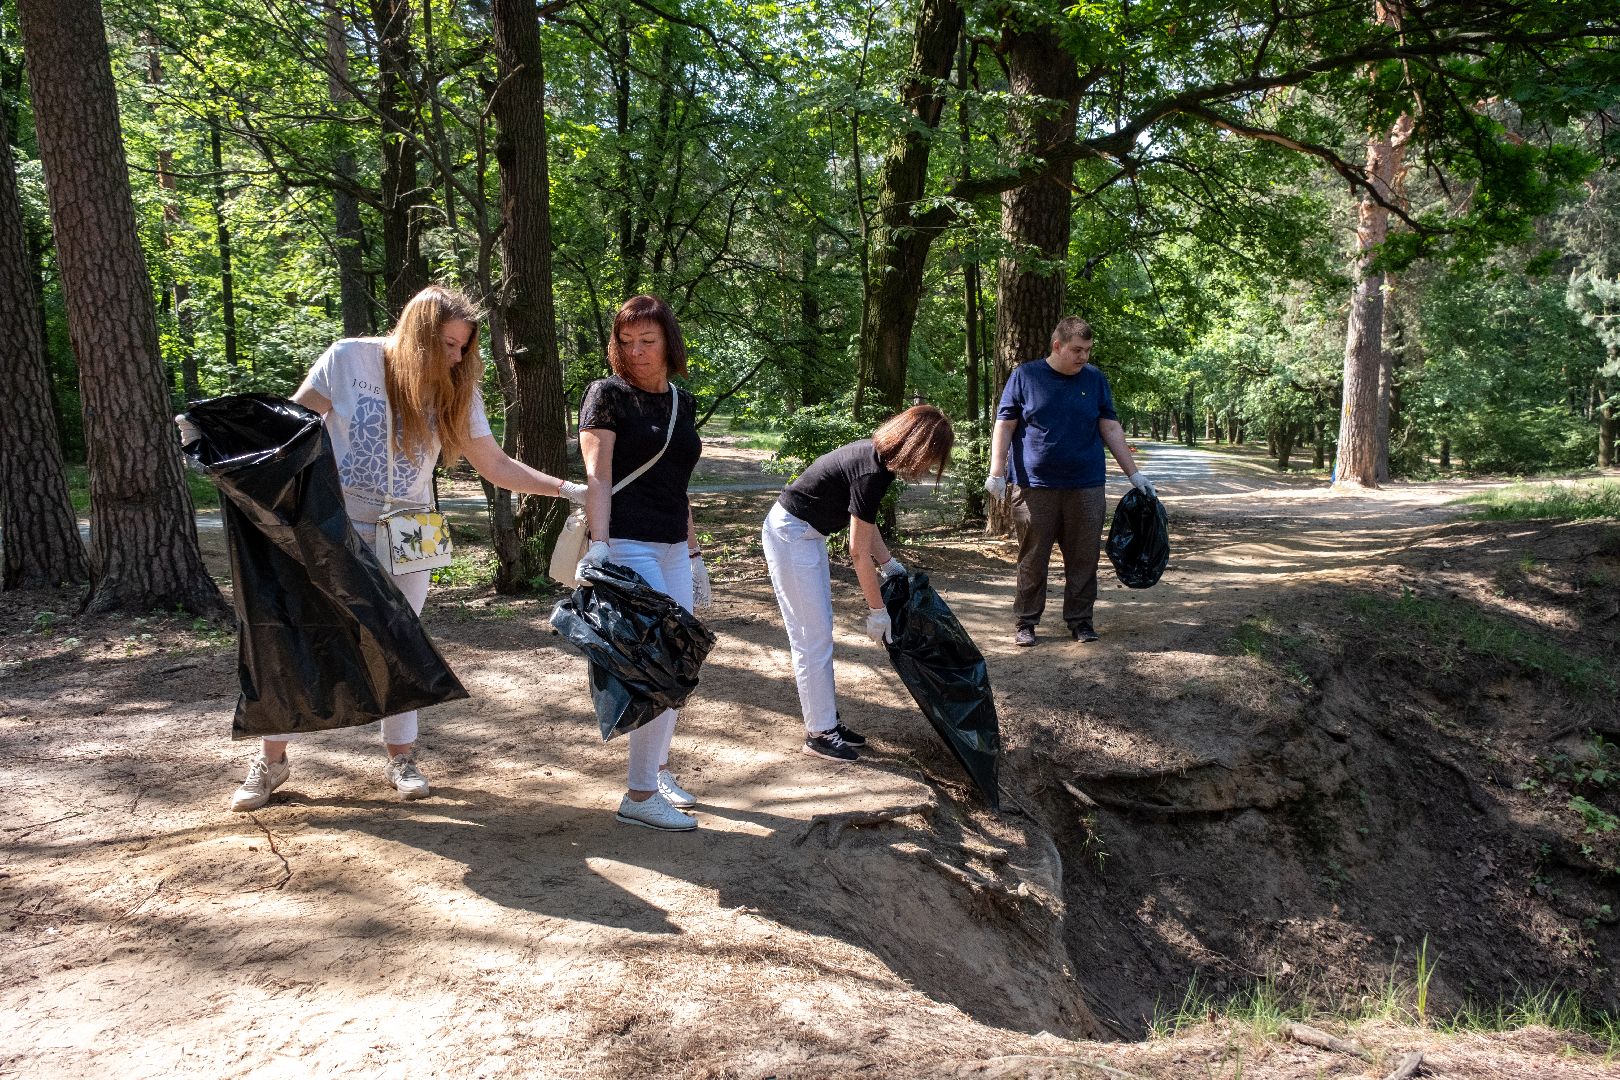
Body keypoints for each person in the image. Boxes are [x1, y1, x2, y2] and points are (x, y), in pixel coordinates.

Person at [224, 285, 587, 811]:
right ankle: (271, 761)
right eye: (447, 344)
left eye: (464, 347)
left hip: (413, 532)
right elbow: (290, 427)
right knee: (301, 633)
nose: (457, 357)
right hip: (333, 528)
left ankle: (402, 759)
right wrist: (224, 443)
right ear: (417, 332)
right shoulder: (349, 359)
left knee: (399, 640)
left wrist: (567, 488)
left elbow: (495, 464)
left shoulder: (457, 389)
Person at [577, 294, 710, 832]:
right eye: (626, 342)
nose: (635, 352)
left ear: (669, 343)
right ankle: (638, 794)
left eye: (647, 341)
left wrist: (695, 554)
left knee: (681, 660)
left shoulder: (683, 402)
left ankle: (656, 768)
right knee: (655, 663)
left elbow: (680, 489)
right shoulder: (607, 396)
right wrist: (600, 544)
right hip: (626, 544)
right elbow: (597, 476)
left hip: (673, 546)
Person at [761, 405, 955, 763]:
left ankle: (826, 719)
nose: (928, 468)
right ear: (917, 446)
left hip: (805, 535)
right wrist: (877, 611)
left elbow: (864, 524)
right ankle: (819, 734)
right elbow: (856, 552)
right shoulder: (871, 471)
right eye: (930, 458)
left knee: (818, 632)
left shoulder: (877, 461)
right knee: (811, 636)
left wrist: (890, 564)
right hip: (790, 535)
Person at [984, 316, 1155, 648]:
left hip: (1086, 485)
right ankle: (1026, 621)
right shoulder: (1025, 376)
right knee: (1033, 557)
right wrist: (996, 472)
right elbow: (1004, 425)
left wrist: (1134, 473)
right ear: (1057, 345)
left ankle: (1080, 620)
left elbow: (1110, 428)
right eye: (1077, 350)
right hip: (1034, 486)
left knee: (1084, 556)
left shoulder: (1094, 380)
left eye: (1088, 350)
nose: (1083, 357)